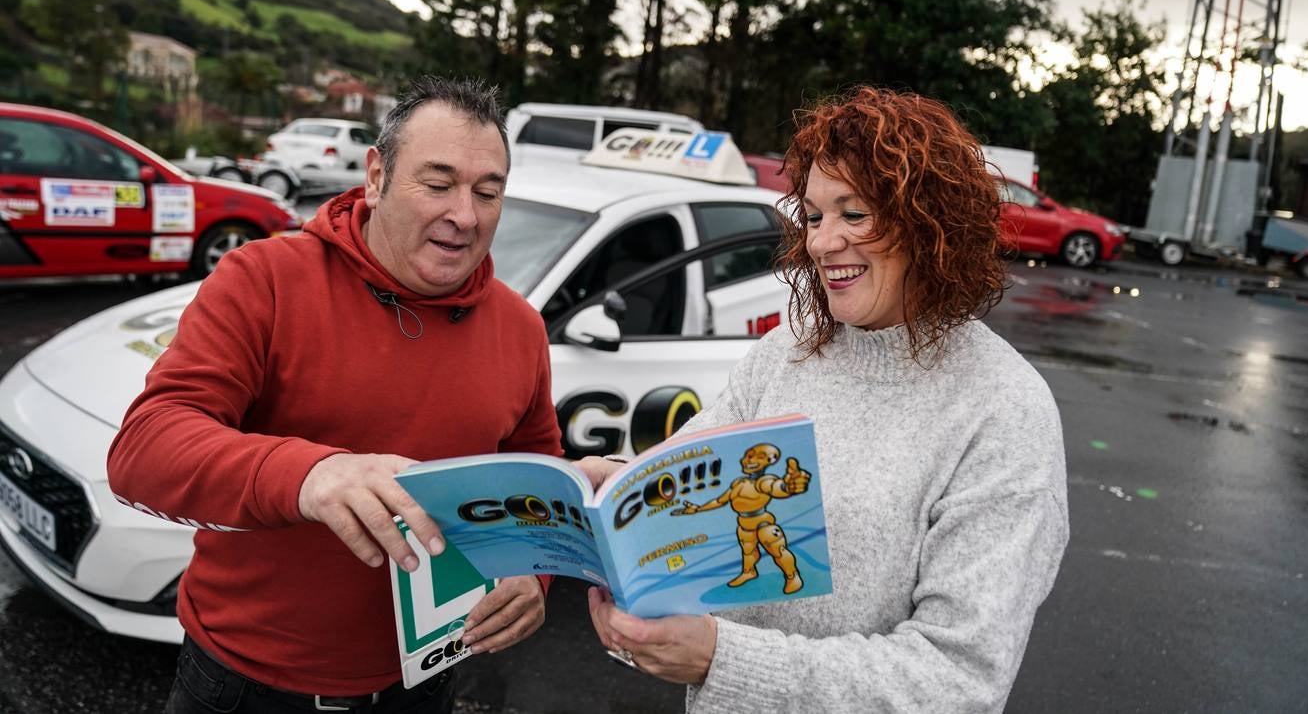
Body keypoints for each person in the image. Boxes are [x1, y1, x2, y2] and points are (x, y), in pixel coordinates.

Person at [583, 86, 1068, 712]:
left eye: (854, 214)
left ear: (930, 222)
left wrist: (720, 659)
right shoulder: (788, 350)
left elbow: (957, 681)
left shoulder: (1004, 411)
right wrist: (611, 484)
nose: (821, 243)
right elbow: (690, 475)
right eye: (813, 216)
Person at [107, 75, 562, 713]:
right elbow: (145, 449)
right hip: (246, 684)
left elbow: (537, 473)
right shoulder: (263, 279)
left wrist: (532, 570)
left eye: (488, 193)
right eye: (437, 185)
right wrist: (310, 475)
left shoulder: (519, 327)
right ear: (375, 177)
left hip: (424, 682)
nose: (465, 215)